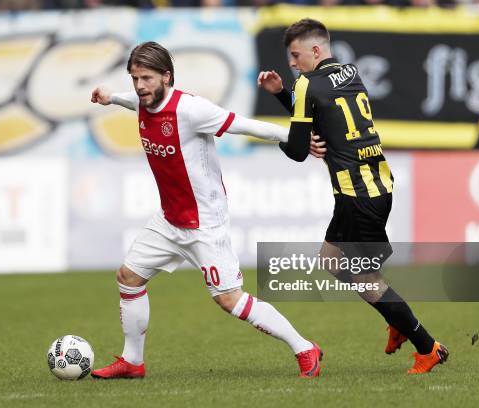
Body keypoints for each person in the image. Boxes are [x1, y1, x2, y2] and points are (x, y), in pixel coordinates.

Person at [89, 41, 323, 379]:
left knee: (230, 300)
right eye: (135, 78)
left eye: (147, 78)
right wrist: (112, 96)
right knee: (128, 277)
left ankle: (305, 348)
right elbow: (132, 99)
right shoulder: (142, 99)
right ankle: (132, 362)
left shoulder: (191, 110)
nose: (140, 86)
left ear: (166, 77)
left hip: (204, 223)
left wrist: (296, 138)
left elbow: (245, 124)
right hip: (169, 220)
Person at [258, 18, 448, 374]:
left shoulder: (307, 86)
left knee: (366, 280)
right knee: (332, 259)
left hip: (356, 195)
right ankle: (398, 321)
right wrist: (285, 94)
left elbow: (299, 149)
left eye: (296, 56)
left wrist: (279, 126)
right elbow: (324, 118)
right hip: (377, 185)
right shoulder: (350, 72)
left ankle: (428, 347)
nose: (292, 64)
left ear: (315, 50)